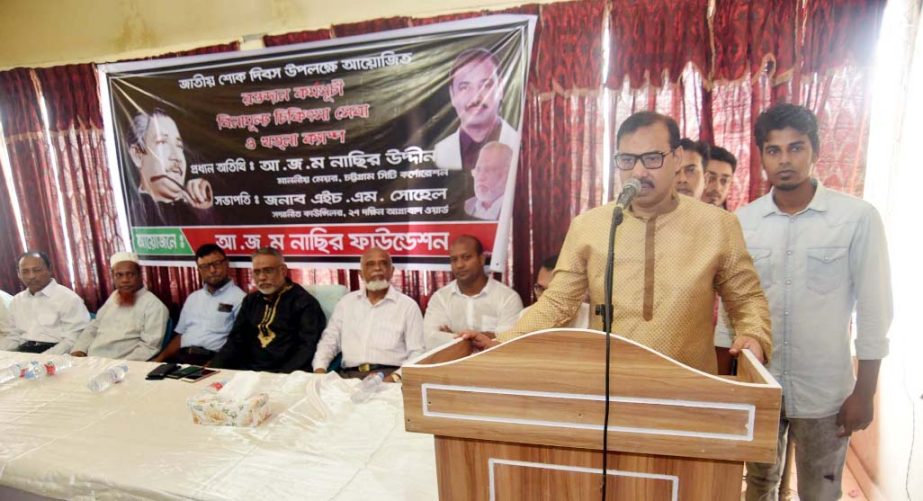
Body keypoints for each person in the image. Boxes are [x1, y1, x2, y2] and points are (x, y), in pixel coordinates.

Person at [465, 111, 771, 374]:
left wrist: (754, 335)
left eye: (652, 158)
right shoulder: (590, 225)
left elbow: (746, 299)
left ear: (676, 158)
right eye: (627, 160)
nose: (638, 171)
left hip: (689, 389)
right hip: (611, 392)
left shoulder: (717, 225)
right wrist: (503, 341)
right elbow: (558, 303)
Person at [715, 104, 892, 501]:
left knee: (821, 489)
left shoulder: (856, 218)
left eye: (795, 148)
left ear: (816, 150)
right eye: (773, 150)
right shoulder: (743, 222)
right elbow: (732, 310)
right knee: (757, 486)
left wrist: (865, 392)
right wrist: (727, 386)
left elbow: (874, 309)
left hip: (825, 391)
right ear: (761, 156)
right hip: (760, 384)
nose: (784, 160)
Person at [312, 248, 424, 382]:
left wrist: (395, 377)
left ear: (392, 271)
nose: (377, 268)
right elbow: (329, 342)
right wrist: (319, 371)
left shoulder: (408, 306)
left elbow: (417, 353)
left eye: (383, 263)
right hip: (348, 378)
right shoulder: (346, 303)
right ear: (361, 273)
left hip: (389, 377)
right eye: (370, 264)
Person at [210, 247, 326, 373]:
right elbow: (236, 341)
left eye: (268, 271)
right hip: (248, 372)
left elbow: (307, 347)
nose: (262, 277)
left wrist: (280, 377)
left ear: (283, 270)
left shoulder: (304, 302)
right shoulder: (250, 301)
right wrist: (214, 369)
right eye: (257, 272)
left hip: (286, 374)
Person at [423, 235, 523, 350]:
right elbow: (430, 340)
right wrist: (487, 337)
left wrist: (453, 337)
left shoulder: (507, 298)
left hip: (492, 366)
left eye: (466, 257)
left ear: (481, 259)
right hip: (452, 366)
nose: (459, 265)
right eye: (454, 260)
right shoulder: (440, 298)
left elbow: (507, 342)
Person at [152, 244, 245, 365]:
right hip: (182, 358)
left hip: (213, 360)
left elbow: (239, 343)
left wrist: (214, 365)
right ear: (199, 270)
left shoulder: (240, 298)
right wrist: (158, 360)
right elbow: (181, 336)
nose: (212, 270)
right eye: (205, 266)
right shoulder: (193, 298)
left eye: (216, 264)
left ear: (226, 263)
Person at [434, 48, 520, 179]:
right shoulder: (437, 154)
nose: (476, 98)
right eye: (464, 87)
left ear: (501, 89)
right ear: (452, 95)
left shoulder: (520, 146)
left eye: (485, 85)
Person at [72, 252, 169, 360]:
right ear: (113, 277)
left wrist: (120, 367)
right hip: (90, 361)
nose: (125, 280)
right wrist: (79, 349)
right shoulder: (114, 296)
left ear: (140, 276)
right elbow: (94, 326)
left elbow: (149, 347)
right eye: (119, 275)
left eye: (130, 274)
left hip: (120, 367)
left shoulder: (154, 306)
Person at [126, 108, 214, 226]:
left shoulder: (195, 209)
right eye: (162, 142)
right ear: (137, 155)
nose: (176, 156)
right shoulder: (128, 211)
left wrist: (204, 211)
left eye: (179, 146)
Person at [0, 252, 91, 354]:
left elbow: (74, 338)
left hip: (58, 353)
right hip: (24, 352)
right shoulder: (17, 300)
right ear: (19, 274)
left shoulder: (68, 299)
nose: (31, 276)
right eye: (25, 271)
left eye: (37, 270)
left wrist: (45, 357)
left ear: (49, 270)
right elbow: (13, 336)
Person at [521, 254, 590, 328]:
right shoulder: (526, 316)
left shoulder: (595, 318)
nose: (544, 298)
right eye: (540, 288)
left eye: (553, 291)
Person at [464, 142, 513, 220]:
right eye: (478, 170)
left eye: (488, 170)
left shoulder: (518, 209)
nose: (480, 177)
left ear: (507, 174)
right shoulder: (464, 207)